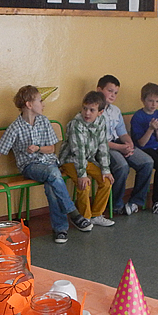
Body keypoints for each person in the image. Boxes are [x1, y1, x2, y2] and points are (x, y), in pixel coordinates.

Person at [0, 85, 92, 244]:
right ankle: (73, 212)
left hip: (49, 164)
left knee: (52, 185)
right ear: (29, 104)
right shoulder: (15, 128)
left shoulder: (44, 121)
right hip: (31, 167)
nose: (43, 104)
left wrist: (38, 148)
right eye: (40, 101)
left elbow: (51, 149)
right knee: (53, 175)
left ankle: (60, 230)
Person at [96, 75, 153, 216]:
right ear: (99, 90)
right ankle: (115, 205)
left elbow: (122, 133)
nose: (113, 95)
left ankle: (135, 201)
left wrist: (129, 144)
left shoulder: (115, 110)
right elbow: (99, 141)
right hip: (103, 148)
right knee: (122, 166)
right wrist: (121, 148)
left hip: (118, 143)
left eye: (115, 93)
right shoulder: (93, 110)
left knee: (147, 162)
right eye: (109, 91)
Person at [59, 91, 115, 227]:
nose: (87, 113)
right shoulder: (76, 124)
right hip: (71, 160)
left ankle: (96, 214)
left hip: (88, 160)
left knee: (106, 181)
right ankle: (85, 218)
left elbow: (103, 146)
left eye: (92, 110)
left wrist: (106, 170)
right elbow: (78, 152)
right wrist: (82, 175)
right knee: (84, 184)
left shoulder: (101, 122)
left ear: (100, 112)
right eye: (85, 108)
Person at [129, 82, 158, 215]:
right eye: (150, 101)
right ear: (143, 100)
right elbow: (141, 143)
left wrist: (157, 130)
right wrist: (150, 129)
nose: (154, 104)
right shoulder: (138, 117)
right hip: (145, 148)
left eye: (157, 101)